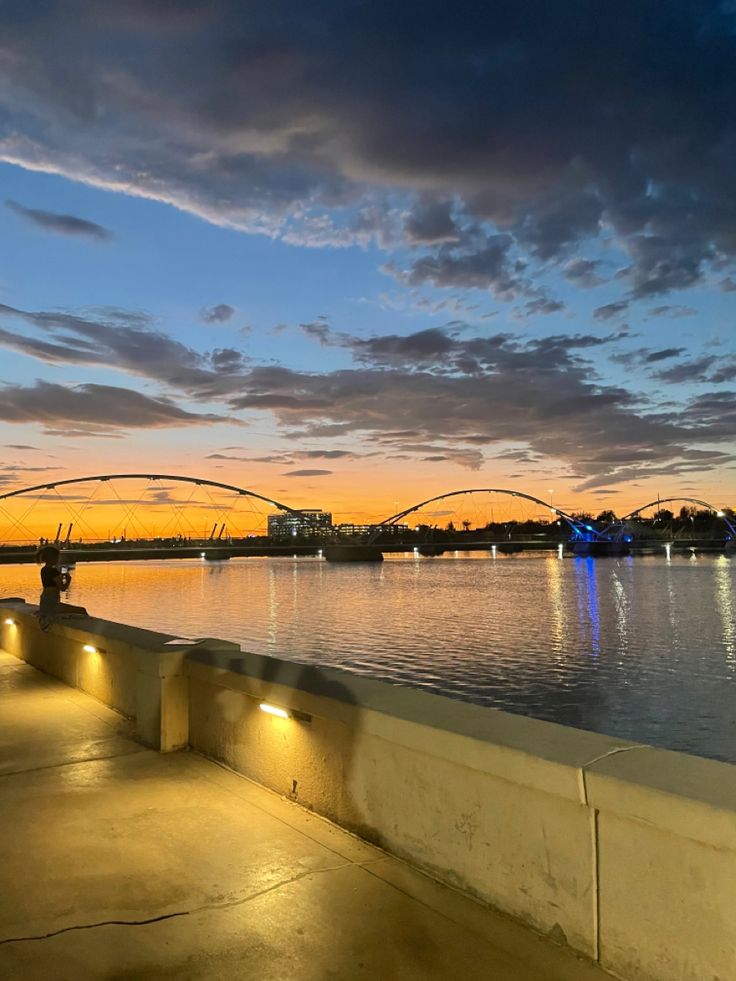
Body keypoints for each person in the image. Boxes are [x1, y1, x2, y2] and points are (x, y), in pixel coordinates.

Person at [37, 545, 86, 628]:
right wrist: (69, 579)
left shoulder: (44, 570)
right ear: (53, 558)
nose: (58, 559)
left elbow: (50, 581)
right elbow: (63, 588)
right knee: (82, 611)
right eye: (57, 557)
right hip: (53, 605)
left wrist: (60, 576)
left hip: (44, 603)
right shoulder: (53, 571)